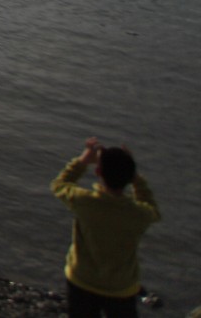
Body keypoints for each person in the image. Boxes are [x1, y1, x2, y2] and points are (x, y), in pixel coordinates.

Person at [51, 136, 160, 318]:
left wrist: (83, 160)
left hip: (81, 281)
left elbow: (60, 185)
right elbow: (153, 209)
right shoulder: (138, 214)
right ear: (130, 175)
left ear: (99, 171)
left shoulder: (85, 202)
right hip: (121, 288)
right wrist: (136, 179)